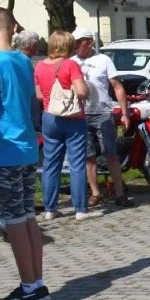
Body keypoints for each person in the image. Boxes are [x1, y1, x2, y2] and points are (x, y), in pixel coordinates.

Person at [0, 8, 52, 300]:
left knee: (14, 221)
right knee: (28, 216)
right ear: (14, 27)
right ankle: (36, 282)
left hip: (4, 149)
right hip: (27, 148)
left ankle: (29, 286)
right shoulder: (23, 61)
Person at [35, 30, 90, 221]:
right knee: (76, 163)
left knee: (50, 163)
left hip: (50, 116)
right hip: (73, 117)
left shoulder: (40, 66)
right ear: (69, 46)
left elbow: (39, 95)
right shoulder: (70, 64)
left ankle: (50, 209)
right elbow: (81, 91)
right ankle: (80, 209)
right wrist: (84, 89)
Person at [73, 28, 129, 209]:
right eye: (74, 42)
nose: (76, 46)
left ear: (89, 42)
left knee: (110, 154)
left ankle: (120, 193)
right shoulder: (72, 62)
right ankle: (95, 192)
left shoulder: (104, 60)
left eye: (79, 42)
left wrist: (124, 112)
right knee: (88, 156)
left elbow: (117, 86)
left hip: (102, 112)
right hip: (81, 113)